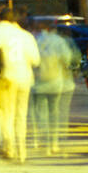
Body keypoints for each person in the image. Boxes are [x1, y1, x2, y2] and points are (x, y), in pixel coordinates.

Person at [0, 7, 40, 162]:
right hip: (24, 78)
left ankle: (9, 147)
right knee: (21, 115)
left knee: (6, 114)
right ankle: (22, 151)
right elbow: (36, 59)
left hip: (5, 77)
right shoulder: (26, 36)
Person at [31, 27, 77, 155]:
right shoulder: (59, 41)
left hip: (38, 82)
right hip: (55, 81)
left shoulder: (36, 39)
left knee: (40, 112)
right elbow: (67, 59)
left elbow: (32, 60)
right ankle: (53, 143)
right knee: (54, 112)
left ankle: (40, 139)